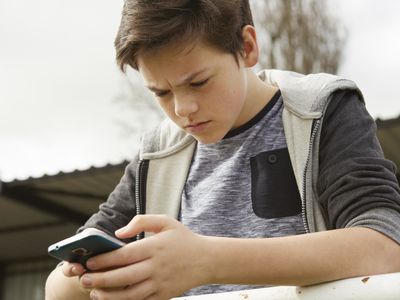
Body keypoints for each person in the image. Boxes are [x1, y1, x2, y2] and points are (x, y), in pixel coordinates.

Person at [45, 1, 400, 299]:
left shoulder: (322, 111)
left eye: (198, 82)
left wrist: (206, 261)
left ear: (247, 47)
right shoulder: (156, 154)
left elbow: (385, 246)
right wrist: (101, 275)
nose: (182, 109)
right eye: (161, 93)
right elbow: (57, 287)